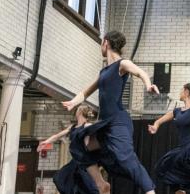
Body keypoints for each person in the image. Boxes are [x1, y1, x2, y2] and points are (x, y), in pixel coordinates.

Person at [63, 31, 160, 194]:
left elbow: (140, 72)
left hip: (117, 122)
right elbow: (86, 91)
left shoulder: (122, 64)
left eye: (101, 43)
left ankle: (150, 191)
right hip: (103, 124)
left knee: (127, 160)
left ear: (105, 42)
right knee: (77, 143)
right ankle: (101, 184)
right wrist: (73, 102)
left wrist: (148, 85)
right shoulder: (103, 72)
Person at [39, 105, 102, 194]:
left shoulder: (87, 125)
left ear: (80, 112)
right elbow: (58, 136)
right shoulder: (72, 127)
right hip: (75, 161)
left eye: (77, 110)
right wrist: (46, 141)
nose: (75, 111)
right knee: (59, 178)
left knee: (90, 186)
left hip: (84, 160)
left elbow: (95, 136)